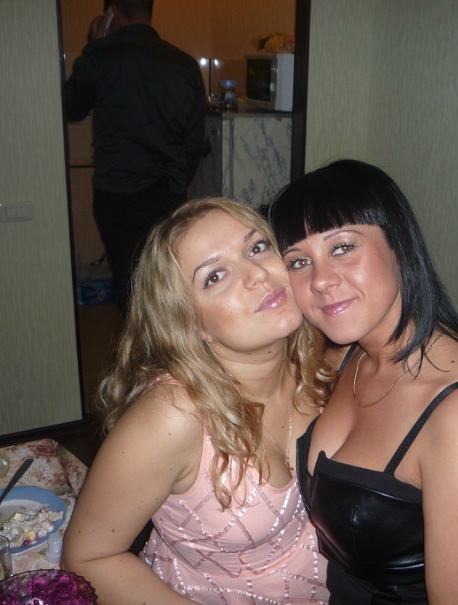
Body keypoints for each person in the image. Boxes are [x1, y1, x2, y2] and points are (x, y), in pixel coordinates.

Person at [268, 159, 458, 604]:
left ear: (398, 244)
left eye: (343, 247)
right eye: (299, 261)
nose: (321, 280)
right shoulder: (345, 354)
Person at [62, 198, 330, 604]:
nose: (257, 274)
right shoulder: (172, 417)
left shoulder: (320, 362)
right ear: (190, 324)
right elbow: (87, 557)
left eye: (257, 247)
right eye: (215, 276)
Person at [64, 0, 206, 310]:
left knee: (129, 281)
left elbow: (70, 107)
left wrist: (93, 45)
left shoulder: (102, 57)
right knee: (168, 279)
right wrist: (177, 182)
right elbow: (195, 141)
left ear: (113, 12)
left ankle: (140, 338)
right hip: (167, 193)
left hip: (118, 195)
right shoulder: (184, 63)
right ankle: (170, 339)